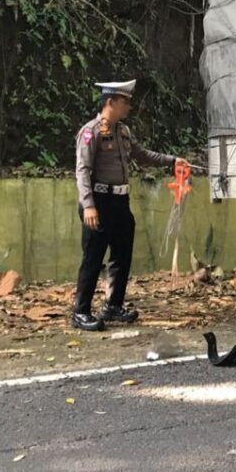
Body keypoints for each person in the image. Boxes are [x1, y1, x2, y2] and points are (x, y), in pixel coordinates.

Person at [72, 80, 188, 332]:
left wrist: (172, 161)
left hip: (120, 202)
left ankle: (112, 305)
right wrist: (88, 205)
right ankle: (81, 311)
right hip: (99, 202)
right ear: (110, 102)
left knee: (121, 256)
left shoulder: (123, 131)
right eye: (125, 102)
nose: (129, 107)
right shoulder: (90, 132)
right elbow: (82, 171)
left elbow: (142, 155)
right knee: (93, 257)